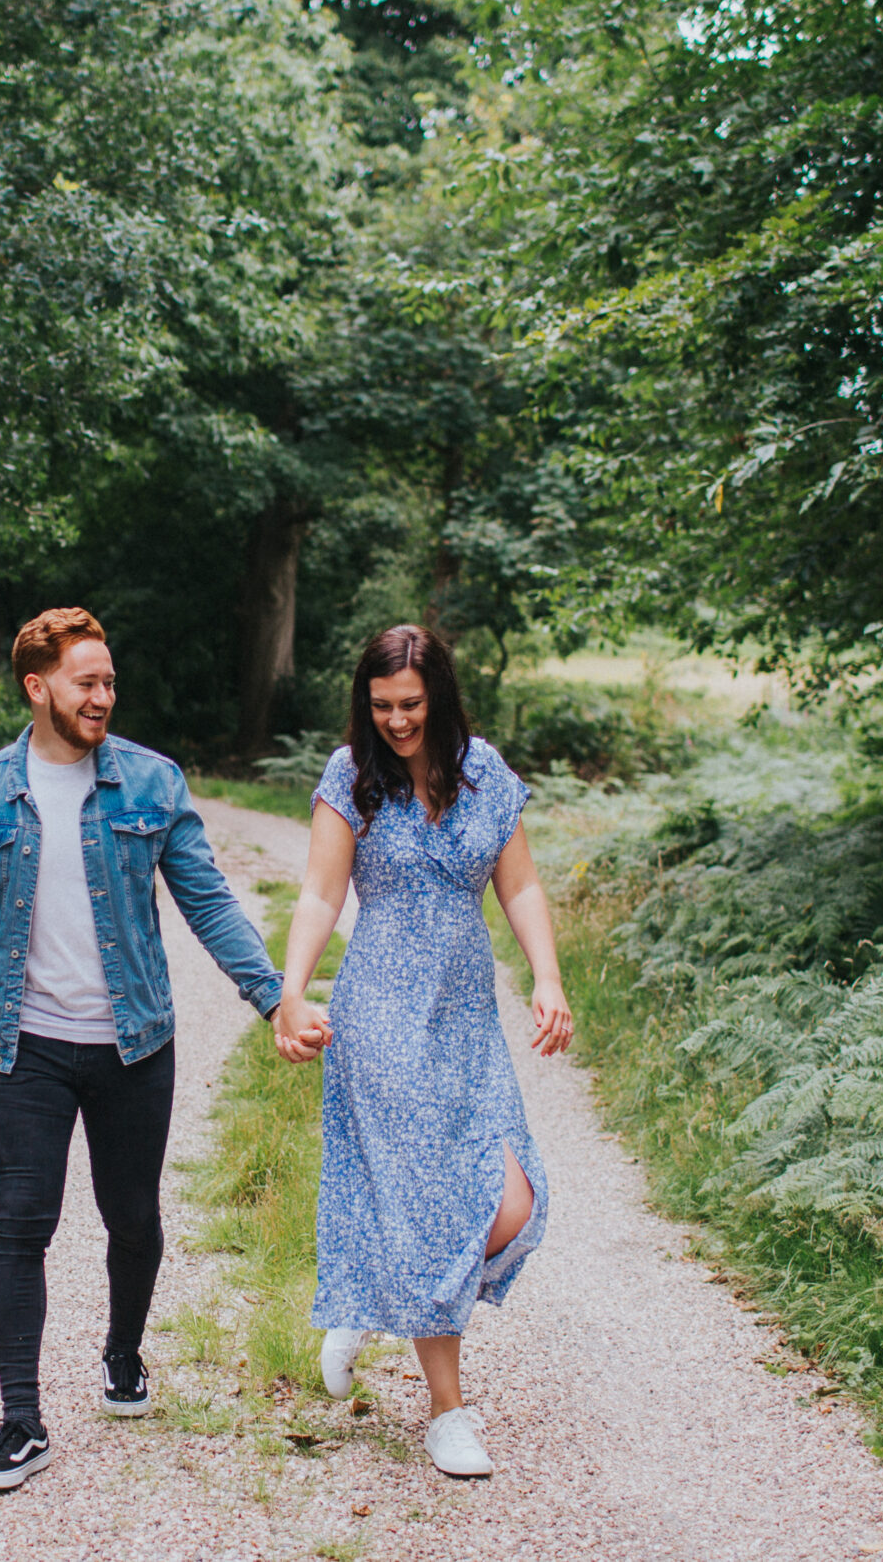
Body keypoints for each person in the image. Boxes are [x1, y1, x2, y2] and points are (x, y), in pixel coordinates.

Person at [0, 607, 286, 1494]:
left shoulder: (151, 784)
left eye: (110, 681)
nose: (103, 696)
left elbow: (209, 899)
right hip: (24, 1046)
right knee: (21, 1223)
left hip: (132, 1046)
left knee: (134, 1218)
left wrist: (272, 996)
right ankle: (20, 1419)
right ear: (38, 687)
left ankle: (123, 1349)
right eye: (87, 681)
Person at [267, 623, 573, 1478]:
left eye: (409, 704)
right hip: (381, 1013)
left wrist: (547, 977)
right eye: (381, 706)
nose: (396, 721)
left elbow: (521, 884)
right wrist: (292, 991)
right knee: (435, 1199)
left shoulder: (486, 774)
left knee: (509, 1196)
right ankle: (447, 1414)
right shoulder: (350, 776)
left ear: (438, 695)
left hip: (465, 1013)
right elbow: (322, 891)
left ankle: (371, 1286)